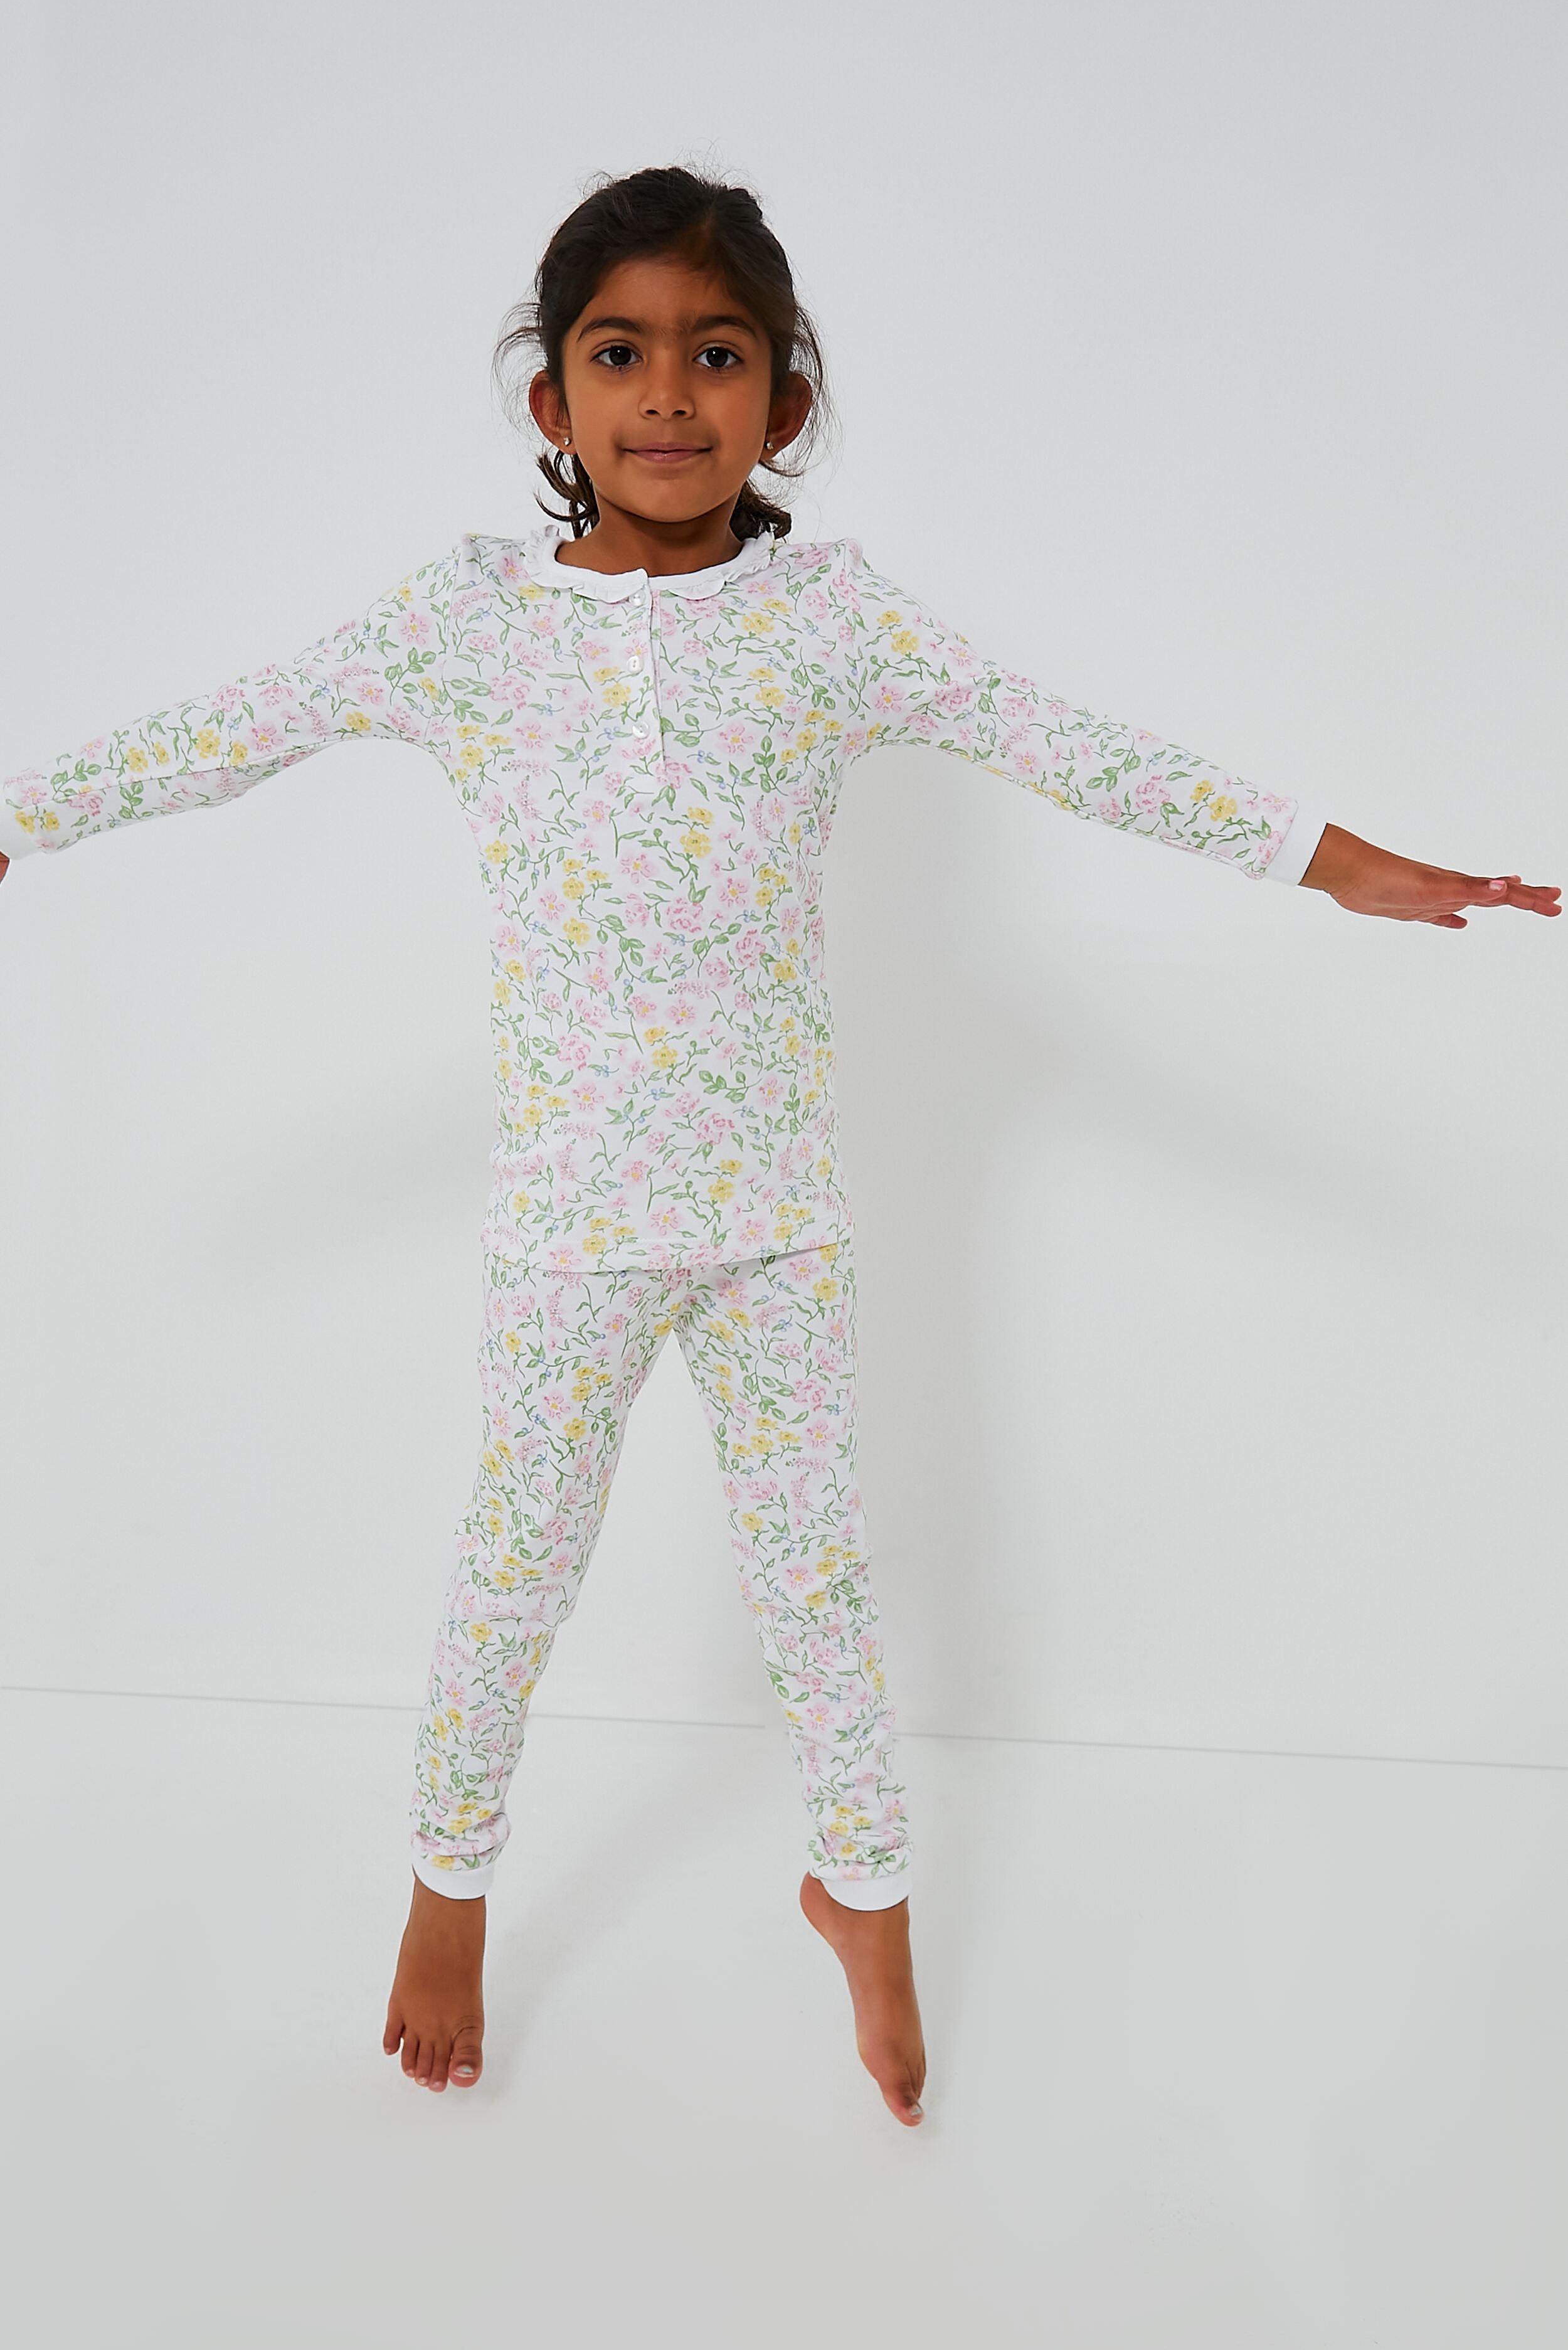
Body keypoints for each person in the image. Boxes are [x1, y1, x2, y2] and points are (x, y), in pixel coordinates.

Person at [3, 166, 1557, 2129]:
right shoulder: (465, 625)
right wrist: (19, 819)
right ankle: (447, 1896)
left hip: (775, 1228)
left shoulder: (831, 623)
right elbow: (224, 731)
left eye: (716, 355)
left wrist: (1331, 862)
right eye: (620, 354)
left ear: (783, 401)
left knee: (820, 1592)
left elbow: (1068, 743)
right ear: (552, 401)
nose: (669, 394)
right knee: (509, 1584)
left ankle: (865, 1896)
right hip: (570, 1230)